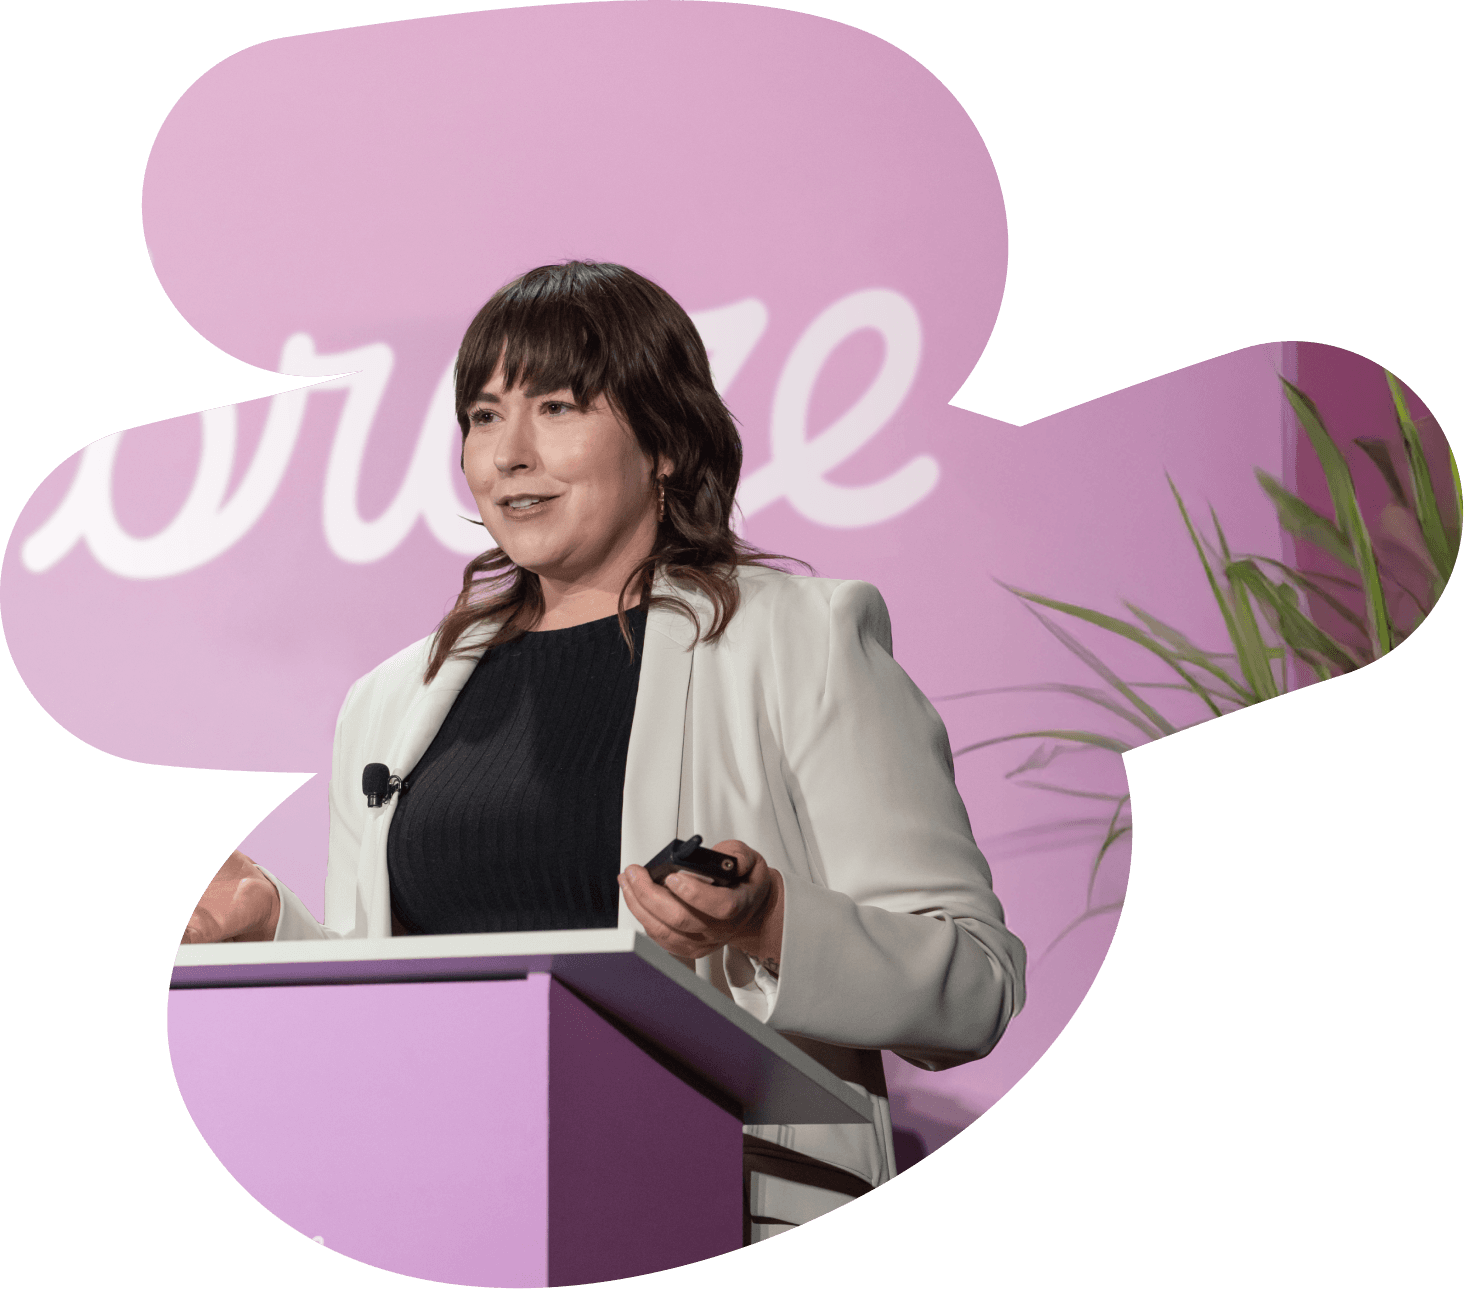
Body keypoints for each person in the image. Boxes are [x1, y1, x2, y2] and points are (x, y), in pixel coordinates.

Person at [183, 260, 1027, 1242]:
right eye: (485, 416)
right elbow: (408, 1008)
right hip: (445, 1211)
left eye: (558, 407)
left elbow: (974, 982)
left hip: (714, 1209)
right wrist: (269, 930)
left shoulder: (802, 641)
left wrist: (773, 921)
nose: (508, 455)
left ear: (665, 441)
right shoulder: (391, 700)